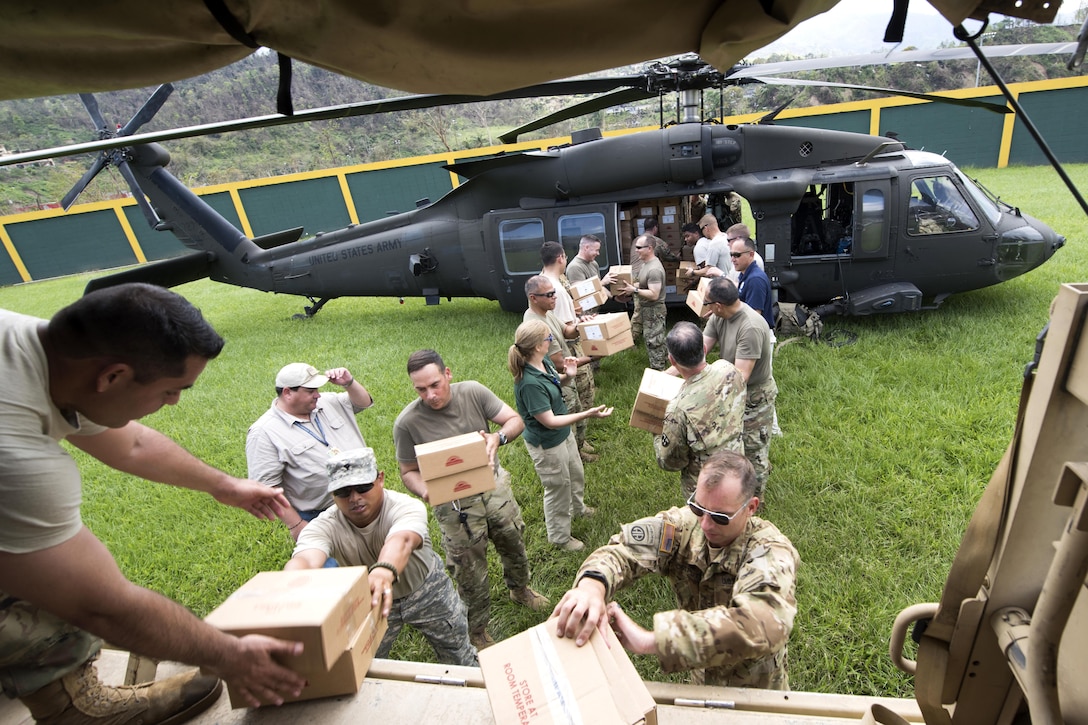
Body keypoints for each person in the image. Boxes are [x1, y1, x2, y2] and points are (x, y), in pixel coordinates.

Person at [0, 283, 308, 723]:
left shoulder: (47, 351)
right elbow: (102, 605)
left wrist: (224, 485)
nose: (175, 402)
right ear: (112, 377)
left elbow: (133, 445)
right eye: (170, 390)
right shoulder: (15, 457)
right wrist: (230, 654)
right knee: (46, 582)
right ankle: (74, 709)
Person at [552, 450, 799, 689]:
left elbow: (764, 623)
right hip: (701, 680)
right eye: (698, 508)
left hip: (754, 690)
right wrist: (592, 587)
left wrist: (654, 641)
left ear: (751, 507)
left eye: (720, 517)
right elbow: (624, 549)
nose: (705, 524)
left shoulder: (769, 549)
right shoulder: (683, 527)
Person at [393, 350, 548, 651]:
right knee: (468, 567)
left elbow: (514, 420)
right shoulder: (407, 423)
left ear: (447, 373)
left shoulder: (473, 392)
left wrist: (497, 438)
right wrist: (425, 490)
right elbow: (408, 471)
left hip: (493, 489)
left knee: (513, 540)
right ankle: (476, 627)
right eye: (421, 390)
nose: (430, 395)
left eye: (435, 384)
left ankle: (520, 589)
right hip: (453, 505)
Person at [285, 447, 476, 666]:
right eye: (343, 492)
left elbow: (402, 540)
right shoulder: (323, 526)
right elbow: (307, 558)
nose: (355, 498)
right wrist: (288, 584)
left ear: (380, 479)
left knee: (459, 652)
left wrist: (382, 571)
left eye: (363, 487)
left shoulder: (405, 506)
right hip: (370, 599)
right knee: (362, 664)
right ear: (332, 495)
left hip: (426, 589)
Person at [508, 320, 612, 551]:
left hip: (563, 434)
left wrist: (570, 375)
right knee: (558, 487)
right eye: (548, 338)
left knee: (575, 472)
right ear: (537, 346)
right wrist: (587, 414)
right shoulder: (529, 383)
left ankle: (578, 508)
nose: (552, 341)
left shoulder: (542, 362)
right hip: (547, 442)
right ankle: (560, 537)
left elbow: (556, 382)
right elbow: (549, 421)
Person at [246, 362, 374, 542]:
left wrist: (349, 382)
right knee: (336, 569)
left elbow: (363, 402)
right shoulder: (264, 432)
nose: (317, 394)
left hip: (368, 495)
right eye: (310, 390)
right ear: (288, 392)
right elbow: (266, 488)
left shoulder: (327, 401)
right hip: (323, 515)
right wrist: (296, 525)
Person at [701, 278, 777, 496]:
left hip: (754, 395)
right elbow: (701, 350)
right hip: (731, 387)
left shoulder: (750, 326)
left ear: (718, 305)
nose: (704, 306)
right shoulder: (719, 316)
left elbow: (741, 376)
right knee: (733, 443)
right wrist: (668, 374)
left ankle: (755, 500)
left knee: (754, 449)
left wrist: (706, 392)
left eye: (706, 302)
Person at [654, 322, 746, 497]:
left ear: (672, 360)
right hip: (737, 468)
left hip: (705, 485)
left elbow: (671, 462)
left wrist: (656, 432)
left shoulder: (677, 408)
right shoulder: (728, 369)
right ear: (704, 348)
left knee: (706, 523)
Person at [523, 275, 593, 461]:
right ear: (533, 297)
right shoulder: (537, 325)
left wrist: (579, 325)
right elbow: (559, 364)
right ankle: (573, 456)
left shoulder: (546, 313)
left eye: (554, 292)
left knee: (577, 414)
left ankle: (578, 450)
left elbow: (567, 331)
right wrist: (592, 357)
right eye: (549, 294)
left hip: (562, 377)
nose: (555, 297)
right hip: (557, 380)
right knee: (569, 418)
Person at [540, 242, 598, 462]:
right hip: (569, 349)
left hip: (561, 349)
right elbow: (566, 329)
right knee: (581, 396)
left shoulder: (543, 281)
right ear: (561, 258)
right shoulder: (557, 289)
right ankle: (577, 446)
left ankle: (580, 442)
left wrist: (579, 318)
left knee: (577, 398)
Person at [619, 235, 668, 370]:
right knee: (656, 339)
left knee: (654, 341)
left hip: (654, 310)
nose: (636, 251)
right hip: (647, 310)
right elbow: (644, 286)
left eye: (639, 248)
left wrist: (634, 290)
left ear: (650, 248)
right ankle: (665, 363)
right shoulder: (646, 265)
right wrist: (630, 287)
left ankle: (659, 372)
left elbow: (654, 294)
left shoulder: (654, 269)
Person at [730, 235, 774, 330]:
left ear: (751, 254)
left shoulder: (755, 280)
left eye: (737, 255)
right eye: (731, 255)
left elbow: (754, 317)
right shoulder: (745, 274)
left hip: (755, 333)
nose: (732, 259)